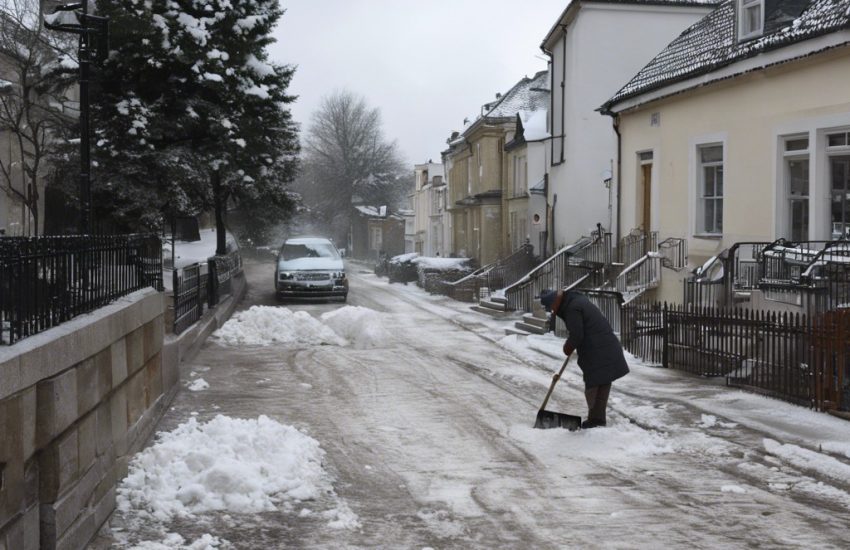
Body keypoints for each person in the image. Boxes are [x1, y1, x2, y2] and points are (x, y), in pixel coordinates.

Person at [539, 289, 629, 429]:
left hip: (598, 349)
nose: (552, 311)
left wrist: (568, 347)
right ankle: (597, 420)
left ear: (555, 302)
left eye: (551, 308)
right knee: (602, 383)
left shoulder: (572, 308)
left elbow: (577, 335)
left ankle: (596, 420)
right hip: (604, 346)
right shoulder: (574, 301)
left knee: (593, 385)